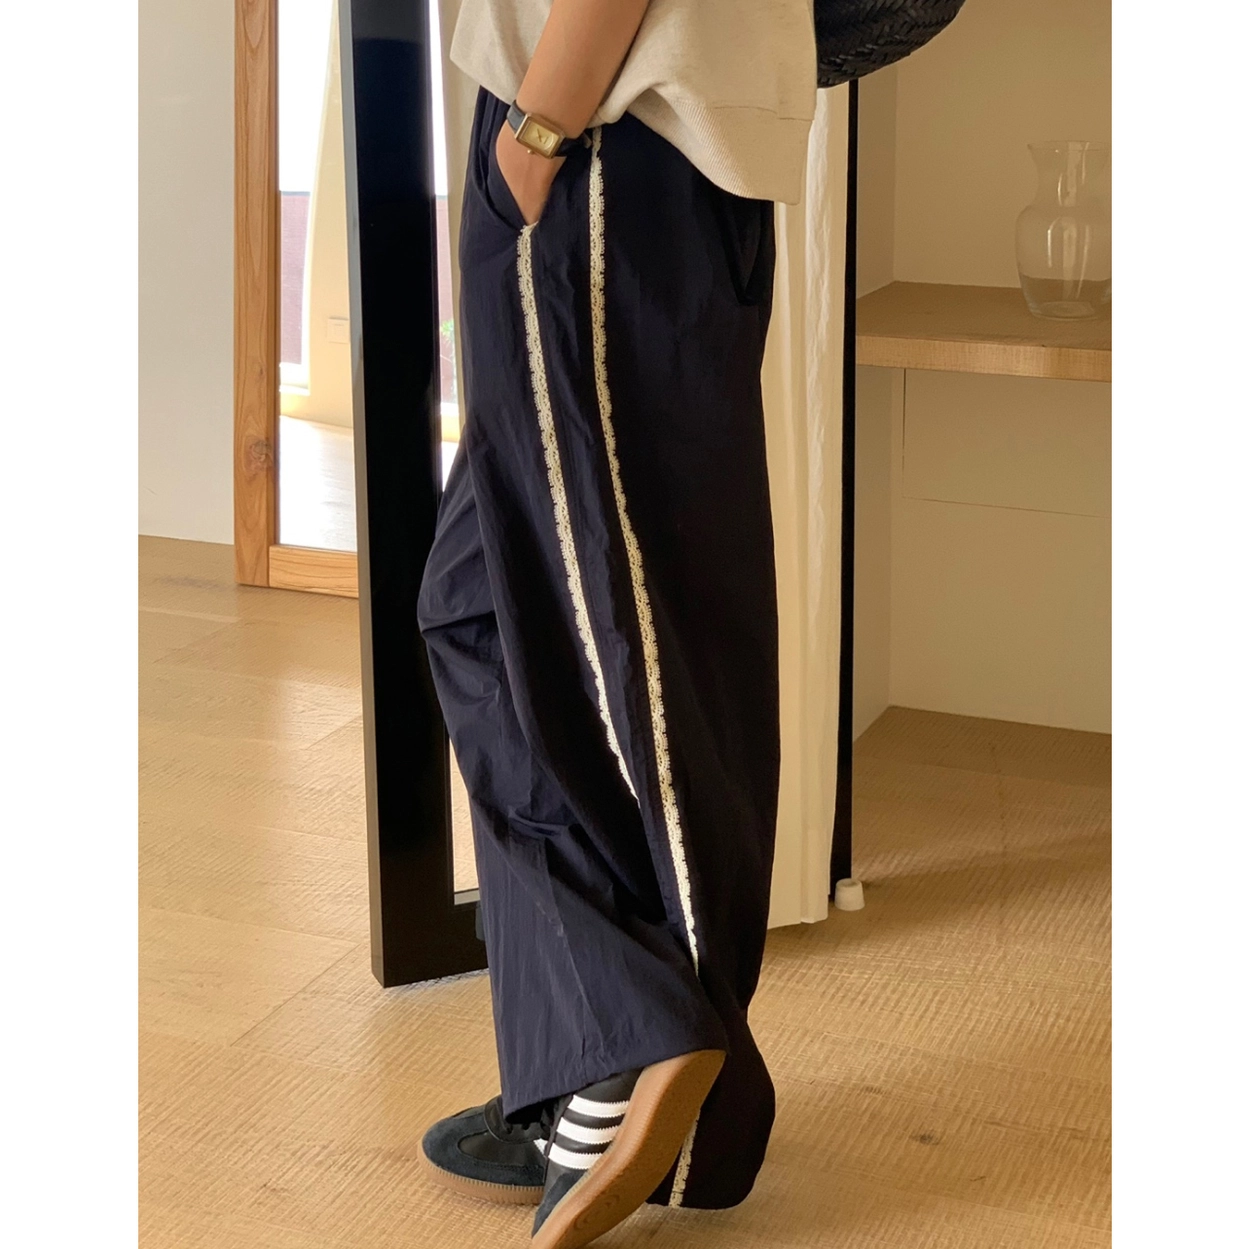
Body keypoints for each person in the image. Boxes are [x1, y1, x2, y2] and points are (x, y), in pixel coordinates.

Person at [417, 2, 816, 1245]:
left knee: (626, 643)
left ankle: (637, 1049)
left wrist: (538, 127)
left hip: (596, 132)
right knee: (486, 608)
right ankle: (598, 1045)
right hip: (622, 136)